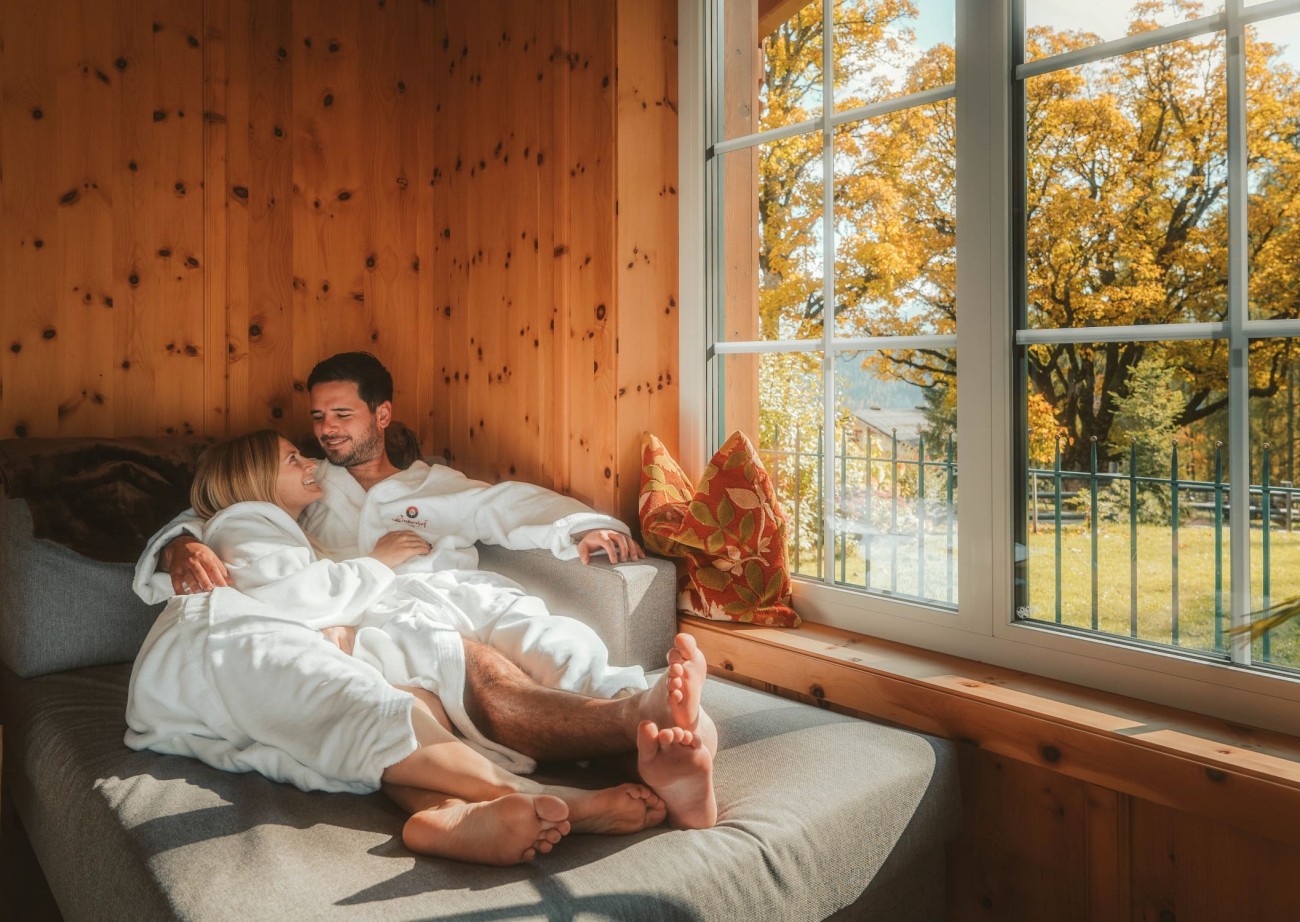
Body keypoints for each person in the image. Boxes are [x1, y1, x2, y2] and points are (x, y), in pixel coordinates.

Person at [134, 352, 718, 831]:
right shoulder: (309, 483)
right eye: (318, 417)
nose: (326, 430)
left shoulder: (434, 485)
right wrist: (179, 545)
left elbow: (506, 504)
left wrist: (583, 527)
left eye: (342, 414)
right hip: (387, 616)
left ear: (382, 415)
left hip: (467, 593)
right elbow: (227, 505)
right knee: (482, 671)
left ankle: (673, 741)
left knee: (561, 644)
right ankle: (636, 725)